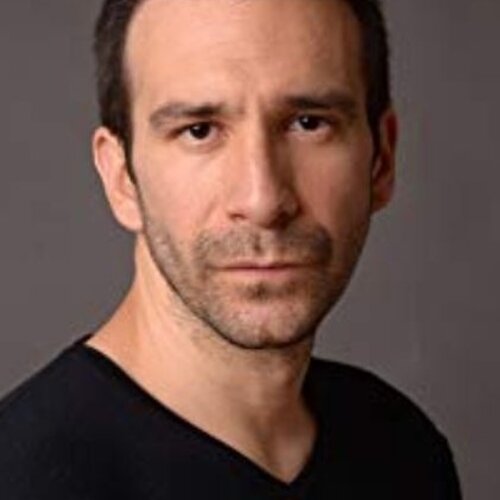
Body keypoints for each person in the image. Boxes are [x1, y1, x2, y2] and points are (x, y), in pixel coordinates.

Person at [0, 0, 462, 498]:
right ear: (121, 179)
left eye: (309, 123)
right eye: (199, 130)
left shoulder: (402, 449)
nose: (263, 201)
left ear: (382, 159)